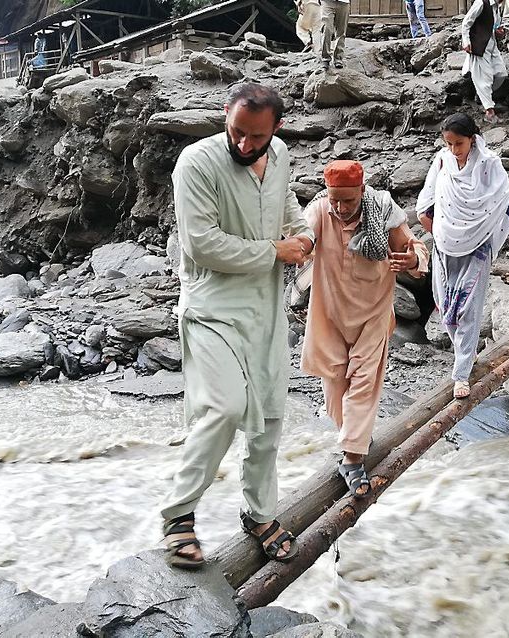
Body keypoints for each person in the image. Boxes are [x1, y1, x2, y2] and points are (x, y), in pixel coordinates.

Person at [161, 83, 315, 570]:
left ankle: (259, 514)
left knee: (269, 420)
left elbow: (285, 204)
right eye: (237, 133)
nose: (245, 145)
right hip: (211, 307)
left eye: (257, 137)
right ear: (224, 116)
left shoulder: (282, 154)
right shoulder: (197, 163)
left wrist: (304, 233)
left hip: (267, 309)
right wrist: (275, 252)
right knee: (223, 408)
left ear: (277, 130)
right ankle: (179, 514)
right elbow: (202, 244)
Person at [300, 160, 429, 497]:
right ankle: (355, 436)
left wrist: (412, 260)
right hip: (329, 316)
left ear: (362, 190)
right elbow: (301, 238)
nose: (341, 208)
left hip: (372, 315)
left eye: (349, 201)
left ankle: (353, 459)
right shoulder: (319, 212)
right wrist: (294, 248)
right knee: (334, 393)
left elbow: (415, 248)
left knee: (364, 384)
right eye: (335, 200)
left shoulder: (385, 211)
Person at [416, 113, 509, 399]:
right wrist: (434, 227)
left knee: (468, 307)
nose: (454, 150)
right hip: (444, 244)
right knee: (445, 306)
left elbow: (505, 195)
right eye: (449, 143)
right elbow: (427, 201)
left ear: (473, 138)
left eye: (459, 144)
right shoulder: (442, 161)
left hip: (477, 243)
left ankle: (461, 374)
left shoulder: (489, 163)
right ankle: (465, 354)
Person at [460, 0, 508, 123]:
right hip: (479, 46)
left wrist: (497, 31)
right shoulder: (481, 3)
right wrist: (466, 41)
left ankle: (482, 97)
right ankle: (489, 112)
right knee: (484, 79)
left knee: (501, 74)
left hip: (492, 45)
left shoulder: (497, 6)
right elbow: (466, 22)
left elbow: (492, 25)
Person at [319, 0, 350, 71]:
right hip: (327, 2)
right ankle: (325, 58)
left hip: (344, 2)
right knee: (326, 29)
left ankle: (338, 58)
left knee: (341, 31)